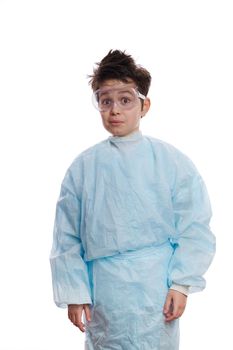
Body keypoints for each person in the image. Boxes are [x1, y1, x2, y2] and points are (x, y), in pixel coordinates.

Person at [50, 50, 216, 350]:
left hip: (156, 289)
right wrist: (75, 293)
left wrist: (181, 284)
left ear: (144, 105)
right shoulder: (84, 168)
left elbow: (194, 226)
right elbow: (67, 236)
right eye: (106, 101)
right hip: (105, 292)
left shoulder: (170, 162)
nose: (115, 110)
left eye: (125, 100)